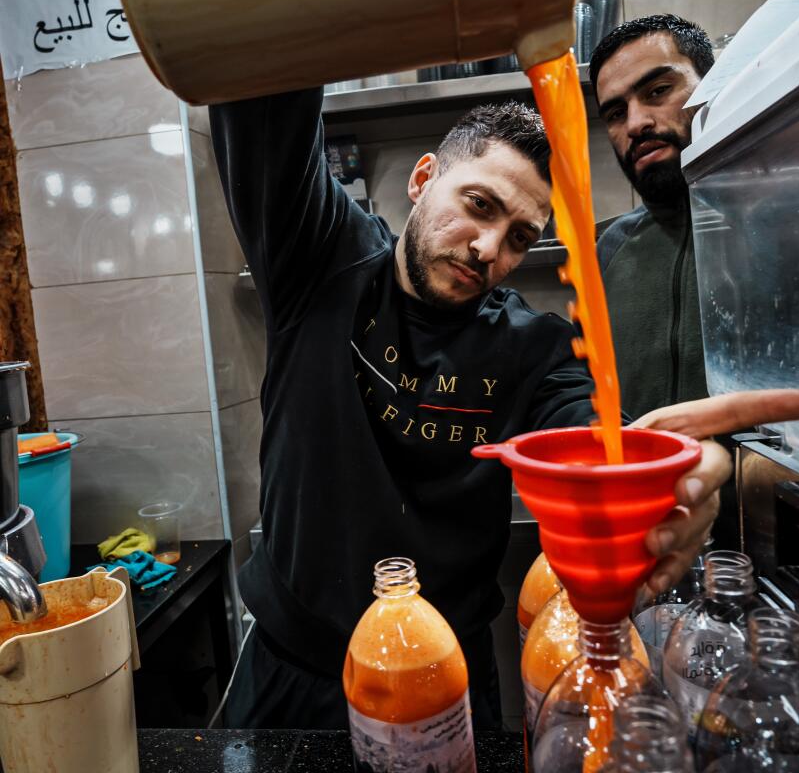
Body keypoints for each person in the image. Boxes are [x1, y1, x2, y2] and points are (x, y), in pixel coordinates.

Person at [209, 86, 730, 730]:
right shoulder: (322, 261)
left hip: (448, 679)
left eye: (518, 237)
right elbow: (261, 98)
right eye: (478, 205)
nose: (488, 249)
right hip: (293, 673)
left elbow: (594, 440)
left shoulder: (534, 347)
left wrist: (665, 470)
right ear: (424, 179)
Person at [589, 15, 715, 419]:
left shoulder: (782, 221)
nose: (636, 123)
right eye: (615, 114)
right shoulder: (609, 249)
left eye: (658, 91)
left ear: (714, 85)